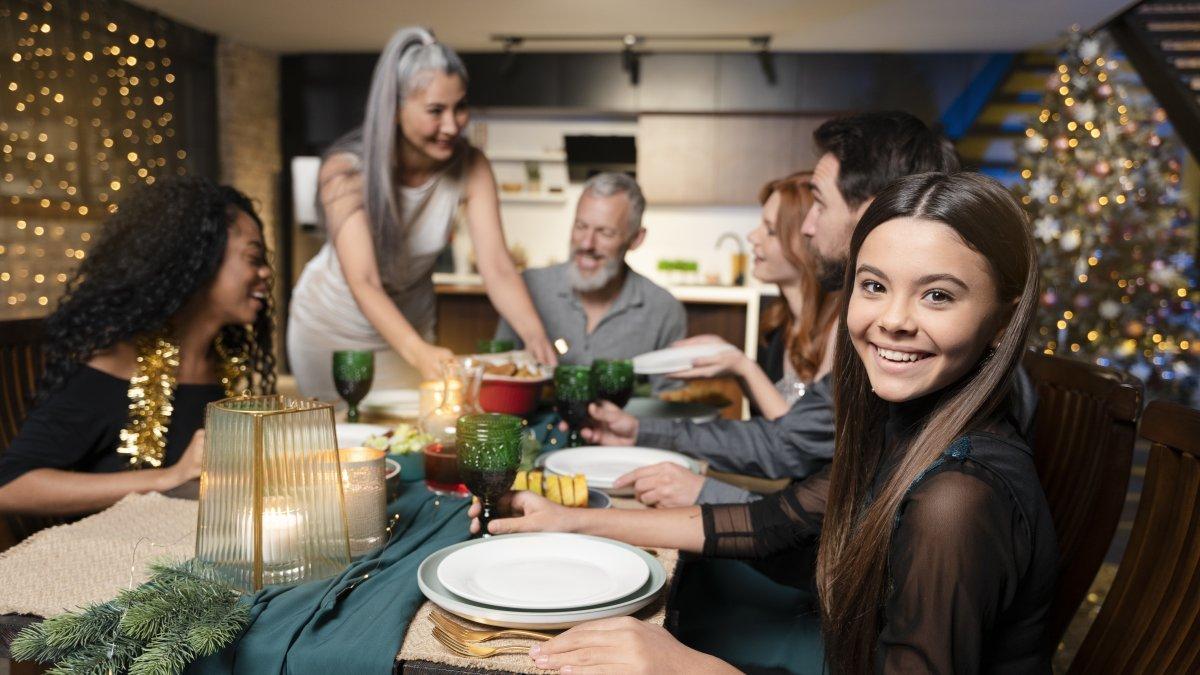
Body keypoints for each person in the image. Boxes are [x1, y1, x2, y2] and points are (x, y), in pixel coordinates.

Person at [471, 172, 1057, 674]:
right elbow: (776, 523)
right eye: (874, 286)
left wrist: (688, 665)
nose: (892, 321)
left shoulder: (957, 498)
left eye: (937, 296)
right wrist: (571, 521)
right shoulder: (905, 424)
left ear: (1003, 321)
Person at [598, 111, 964, 508]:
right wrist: (640, 432)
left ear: (872, 213)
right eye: (874, 288)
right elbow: (791, 450)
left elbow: (826, 529)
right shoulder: (865, 336)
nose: (808, 227)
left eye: (939, 296)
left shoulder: (895, 351)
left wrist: (707, 493)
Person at [288, 27, 555, 401]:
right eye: (435, 111)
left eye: (460, 106)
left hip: (412, 326)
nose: (452, 125)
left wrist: (534, 335)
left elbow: (496, 265)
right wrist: (420, 353)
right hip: (334, 330)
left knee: (409, 438)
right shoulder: (345, 169)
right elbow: (363, 279)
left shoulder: (472, 165)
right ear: (396, 109)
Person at [0, 177, 275, 516]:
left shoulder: (222, 365)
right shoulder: (113, 363)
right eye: (253, 258)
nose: (265, 273)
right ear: (199, 261)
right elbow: (11, 485)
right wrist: (168, 477)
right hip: (112, 551)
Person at [668, 172, 840, 419]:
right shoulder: (776, 322)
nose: (752, 237)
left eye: (769, 230)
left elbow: (801, 441)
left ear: (807, 240)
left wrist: (743, 367)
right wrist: (730, 359)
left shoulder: (840, 330)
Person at [494, 172, 686, 390]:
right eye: (580, 226)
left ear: (636, 238)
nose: (586, 244)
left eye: (605, 232)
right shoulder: (524, 290)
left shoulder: (664, 310)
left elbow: (671, 409)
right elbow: (498, 377)